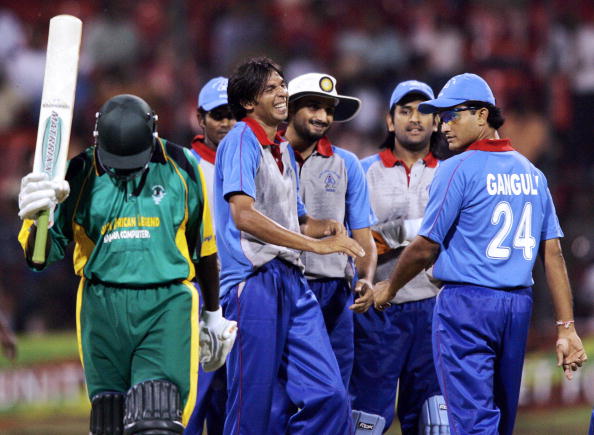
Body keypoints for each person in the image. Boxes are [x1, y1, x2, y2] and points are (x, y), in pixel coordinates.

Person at [373, 73, 588, 435]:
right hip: (518, 307)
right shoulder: (532, 174)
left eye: (453, 115)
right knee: (501, 420)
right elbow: (552, 254)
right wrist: (566, 328)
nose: (443, 126)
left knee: (472, 422)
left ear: (483, 116)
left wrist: (390, 289)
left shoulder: (455, 169)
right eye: (440, 117)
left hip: (465, 306)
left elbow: (426, 246)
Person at [17, 94, 236, 435]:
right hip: (102, 308)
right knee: (110, 424)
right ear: (97, 140)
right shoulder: (76, 173)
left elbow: (204, 248)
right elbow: (39, 259)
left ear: (153, 135)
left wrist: (213, 313)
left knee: (157, 419)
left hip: (165, 305)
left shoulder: (182, 164)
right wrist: (36, 219)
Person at [214, 57, 364, 435]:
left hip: (292, 282)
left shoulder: (281, 150)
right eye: (271, 89)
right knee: (254, 405)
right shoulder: (240, 140)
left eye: (282, 85)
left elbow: (297, 221)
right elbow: (243, 216)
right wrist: (314, 247)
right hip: (253, 282)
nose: (283, 92)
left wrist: (327, 229)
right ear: (249, 103)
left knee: (330, 395)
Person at [349, 80, 449, 434]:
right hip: (377, 313)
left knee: (435, 424)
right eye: (405, 111)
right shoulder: (361, 172)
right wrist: (420, 232)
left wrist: (390, 233)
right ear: (389, 121)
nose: (415, 118)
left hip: (434, 312)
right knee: (366, 422)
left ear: (437, 121)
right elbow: (353, 242)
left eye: (424, 110)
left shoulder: (453, 173)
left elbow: (459, 239)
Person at [285, 72, 377, 385]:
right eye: (313, 106)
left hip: (336, 293)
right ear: (290, 108)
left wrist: (366, 278)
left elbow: (363, 236)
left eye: (328, 110)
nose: (323, 117)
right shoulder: (267, 158)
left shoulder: (347, 163)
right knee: (281, 392)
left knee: (336, 390)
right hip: (285, 286)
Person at [186, 77, 235, 435]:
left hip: (242, 287)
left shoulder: (255, 158)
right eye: (219, 115)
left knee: (231, 396)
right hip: (198, 288)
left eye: (234, 114)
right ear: (200, 118)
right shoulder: (182, 165)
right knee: (193, 394)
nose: (228, 122)